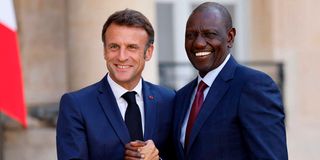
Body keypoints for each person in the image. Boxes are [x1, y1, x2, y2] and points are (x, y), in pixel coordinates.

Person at [173, 2, 288, 160]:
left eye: (209, 34)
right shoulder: (181, 97)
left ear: (230, 37)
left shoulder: (253, 86)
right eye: (190, 35)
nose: (198, 43)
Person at [56, 9, 175, 160]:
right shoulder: (76, 105)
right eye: (114, 47)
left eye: (132, 47)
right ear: (105, 51)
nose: (122, 57)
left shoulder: (168, 99)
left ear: (148, 52)